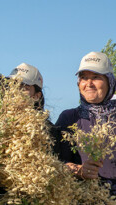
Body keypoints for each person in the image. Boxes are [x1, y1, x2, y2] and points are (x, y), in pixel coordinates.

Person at [0, 63, 47, 202]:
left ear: (36, 96)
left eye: (24, 87)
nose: (16, 91)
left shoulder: (47, 130)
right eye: (13, 85)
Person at [55, 51, 116, 195]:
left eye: (96, 77)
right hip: (85, 197)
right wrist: (79, 170)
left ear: (110, 81)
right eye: (83, 78)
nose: (89, 84)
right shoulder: (70, 118)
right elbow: (54, 162)